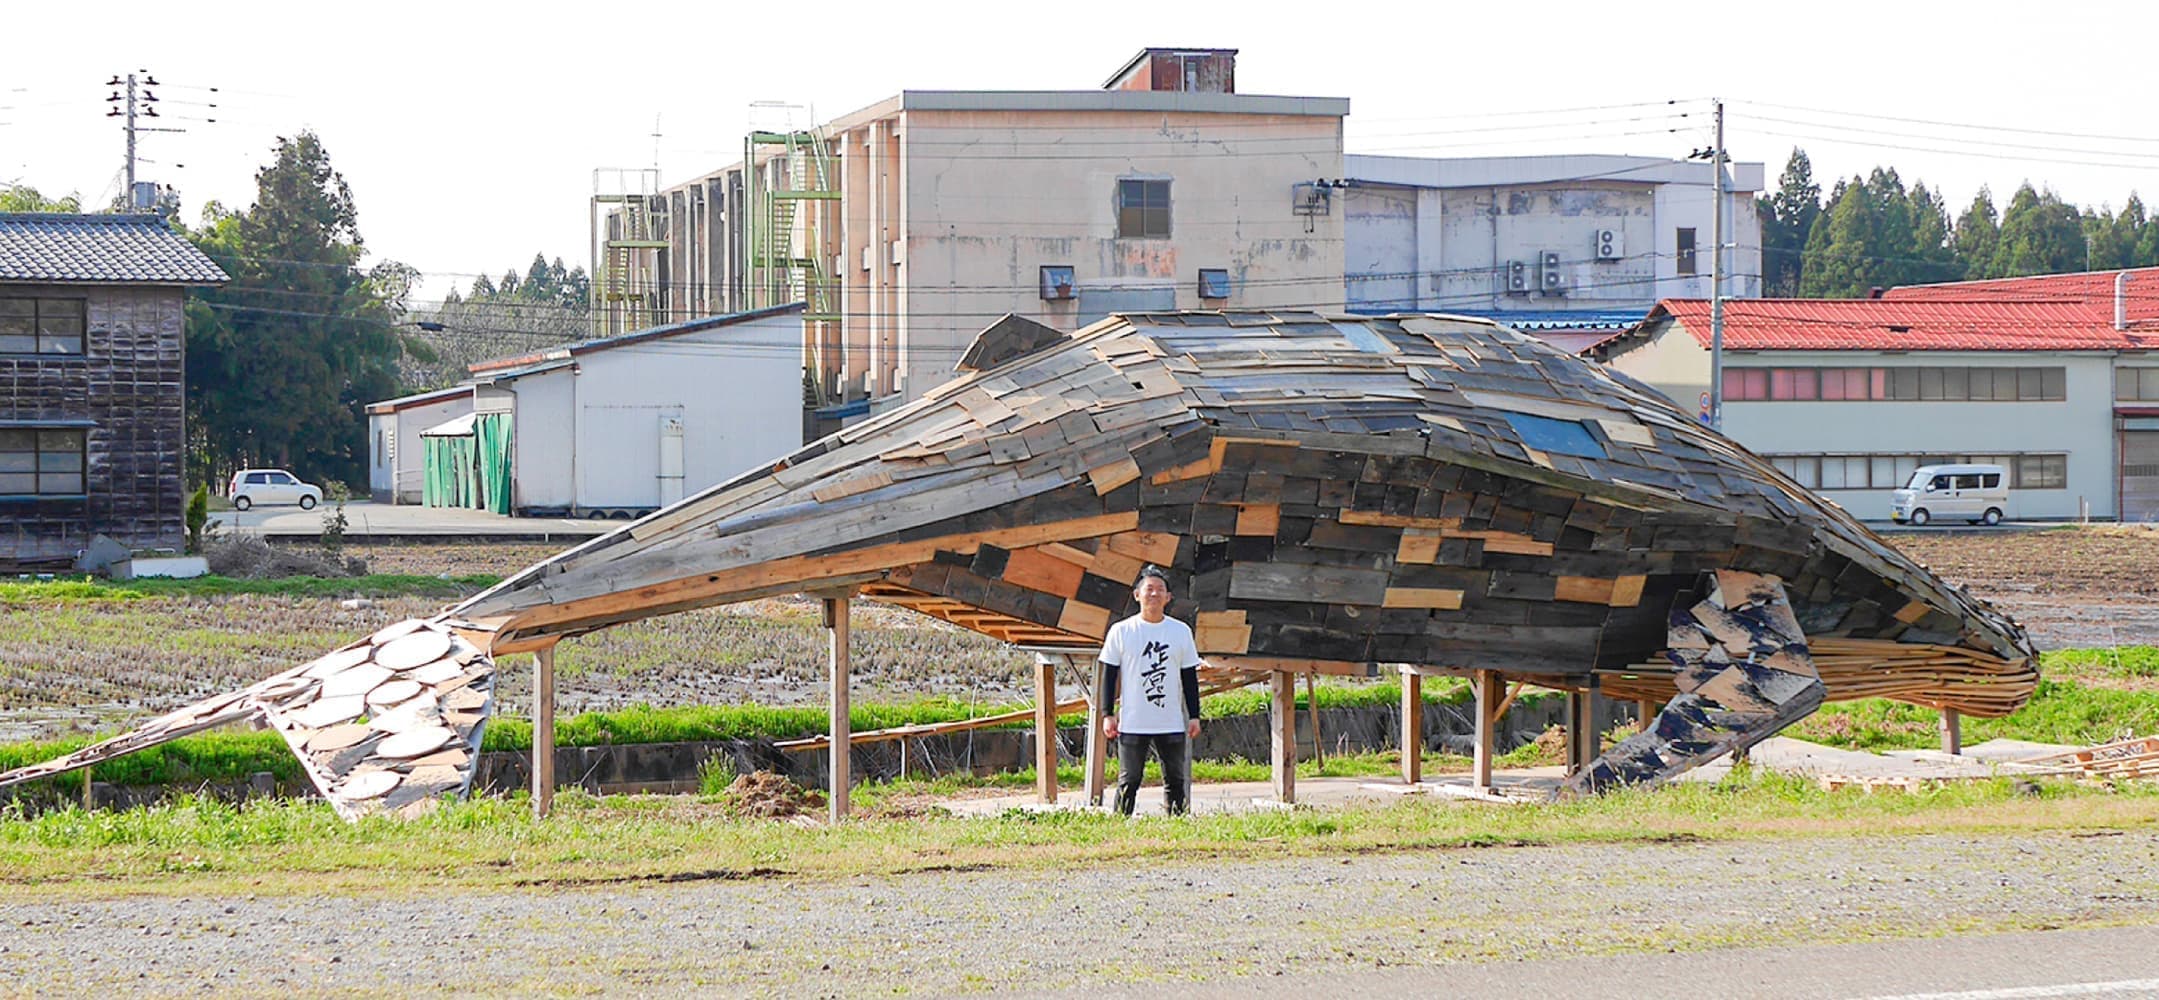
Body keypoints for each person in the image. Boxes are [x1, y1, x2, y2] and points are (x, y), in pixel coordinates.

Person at [1100, 565, 1203, 816]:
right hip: (1134, 720)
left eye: (1160, 590)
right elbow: (1109, 673)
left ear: (1168, 598)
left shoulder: (1180, 631)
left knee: (1175, 779)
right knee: (1129, 780)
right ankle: (1119, 827)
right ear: (1137, 595)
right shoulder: (1122, 630)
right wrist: (1107, 713)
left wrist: (1194, 715)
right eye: (1149, 589)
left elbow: (1189, 676)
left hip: (1169, 720)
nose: (1154, 594)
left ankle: (1177, 825)